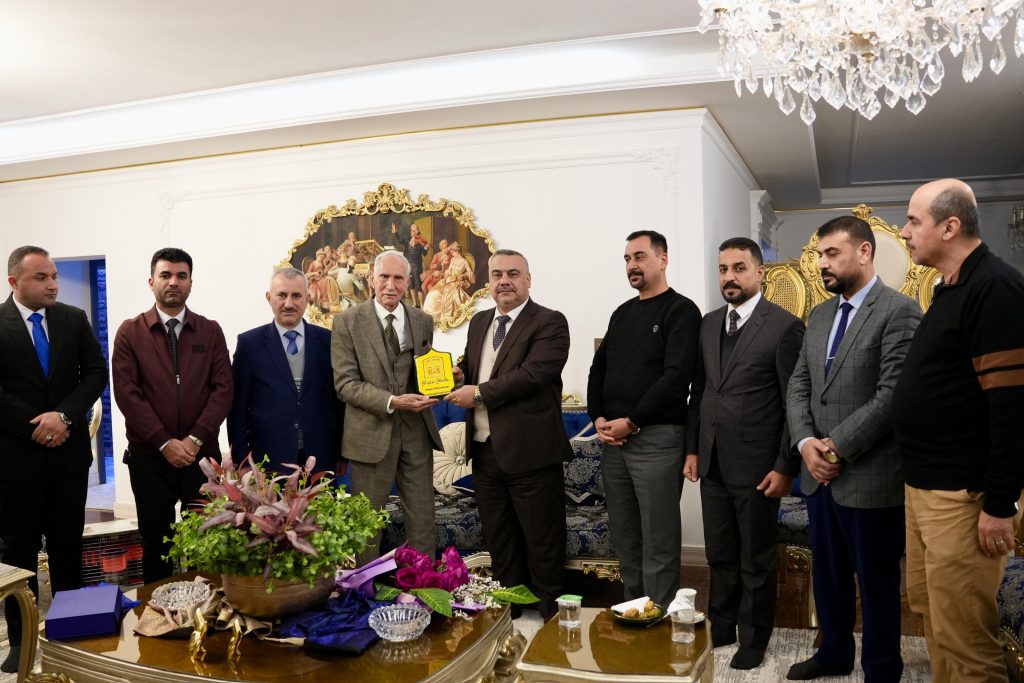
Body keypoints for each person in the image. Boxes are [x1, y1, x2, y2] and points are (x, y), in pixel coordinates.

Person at [894, 178, 1024, 683]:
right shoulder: (949, 287)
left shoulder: (995, 288)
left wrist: (999, 504)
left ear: (949, 226)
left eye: (913, 220)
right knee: (936, 616)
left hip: (963, 497)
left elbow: (1012, 408)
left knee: (967, 638)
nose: (904, 231)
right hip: (925, 486)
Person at [786, 216, 921, 682]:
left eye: (832, 254)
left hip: (870, 476)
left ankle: (881, 669)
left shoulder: (899, 311)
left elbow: (892, 396)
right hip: (817, 476)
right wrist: (806, 444)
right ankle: (834, 654)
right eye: (819, 255)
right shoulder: (820, 316)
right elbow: (799, 386)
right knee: (828, 576)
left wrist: (836, 448)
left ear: (864, 252)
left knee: (877, 583)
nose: (821, 264)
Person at [683, 237, 804, 670]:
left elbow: (794, 403)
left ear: (759, 272)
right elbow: (699, 393)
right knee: (719, 554)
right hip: (712, 460)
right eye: (723, 269)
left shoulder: (785, 327)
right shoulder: (708, 323)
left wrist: (784, 465)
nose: (729, 277)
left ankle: (754, 638)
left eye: (738, 268)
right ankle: (721, 627)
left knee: (756, 558)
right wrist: (692, 450)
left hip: (758, 466)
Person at [444, 249, 572, 621]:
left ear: (528, 280)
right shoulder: (480, 321)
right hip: (485, 452)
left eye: (513, 274)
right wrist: (459, 374)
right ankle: (508, 615)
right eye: (497, 274)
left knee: (543, 541)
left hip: (531, 452)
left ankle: (552, 620)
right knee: (501, 539)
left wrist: (478, 394)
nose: (504, 281)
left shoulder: (549, 322)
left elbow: (532, 375)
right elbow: (477, 366)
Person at [0, 246, 107, 674]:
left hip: (67, 456)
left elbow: (96, 373)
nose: (53, 285)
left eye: (55, 276)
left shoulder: (72, 319)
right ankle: (20, 641)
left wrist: (63, 416)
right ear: (14, 282)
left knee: (67, 549)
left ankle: (71, 635)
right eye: (42, 277)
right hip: (16, 460)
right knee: (18, 553)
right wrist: (36, 425)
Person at [587, 230, 701, 609]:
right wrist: (598, 417)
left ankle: (660, 618)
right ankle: (635, 612)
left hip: (657, 439)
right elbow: (598, 369)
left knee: (659, 540)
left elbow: (676, 377)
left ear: (663, 260)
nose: (632, 265)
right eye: (627, 259)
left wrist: (632, 421)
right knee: (626, 538)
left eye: (639, 257)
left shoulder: (681, 311)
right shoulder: (622, 313)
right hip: (614, 443)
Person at [112, 247, 233, 584]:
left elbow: (223, 389)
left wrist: (194, 439)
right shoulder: (130, 332)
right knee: (157, 545)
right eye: (165, 275)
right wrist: (164, 442)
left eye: (181, 276)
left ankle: (206, 609)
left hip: (201, 458)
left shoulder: (210, 331)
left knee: (206, 543)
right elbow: (128, 394)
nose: (173, 282)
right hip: (150, 458)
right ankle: (158, 612)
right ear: (151, 281)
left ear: (191, 282)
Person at [331, 251, 442, 563]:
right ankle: (364, 589)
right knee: (366, 525)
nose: (390, 285)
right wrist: (392, 401)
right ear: (372, 279)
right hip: (369, 436)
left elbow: (425, 373)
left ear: (407, 282)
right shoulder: (346, 322)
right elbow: (345, 384)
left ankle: (424, 585)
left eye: (397, 278)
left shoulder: (423, 321)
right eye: (384, 277)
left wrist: (448, 378)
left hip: (416, 434)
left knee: (423, 520)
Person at [228, 268, 343, 476]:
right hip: (268, 461)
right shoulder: (249, 344)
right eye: (282, 295)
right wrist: (241, 459)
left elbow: (338, 402)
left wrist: (340, 454)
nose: (289, 303)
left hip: (321, 459)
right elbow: (237, 408)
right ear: (269, 298)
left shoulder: (328, 341)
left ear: (308, 298)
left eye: (296, 296)